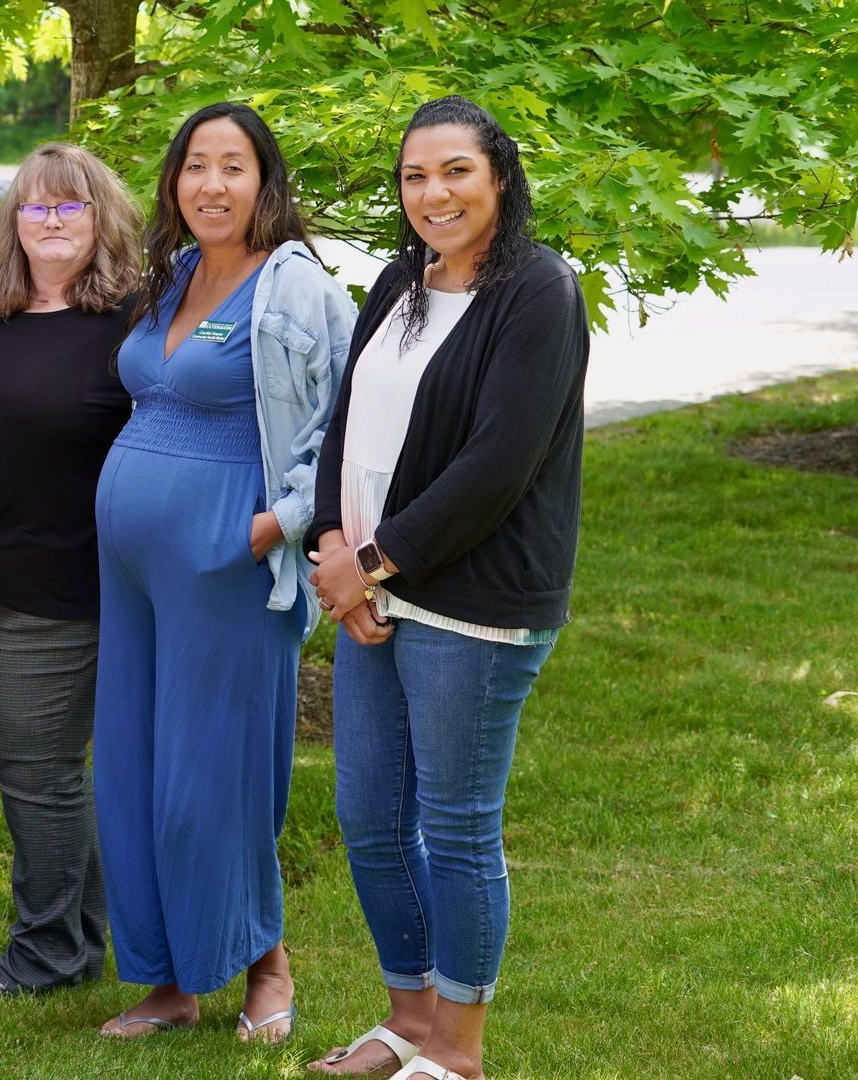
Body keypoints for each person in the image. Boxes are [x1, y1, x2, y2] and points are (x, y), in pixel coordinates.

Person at [304, 96, 589, 1080]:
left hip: (474, 602)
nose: (435, 193)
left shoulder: (540, 293)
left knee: (456, 825)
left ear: (498, 178)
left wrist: (372, 566)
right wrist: (334, 546)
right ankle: (408, 1023)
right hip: (371, 591)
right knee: (371, 818)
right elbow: (347, 423)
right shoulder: (397, 280)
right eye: (416, 176)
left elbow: (496, 464)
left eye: (456, 171)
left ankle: (459, 1053)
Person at [92, 102, 355, 1041]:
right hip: (130, 571)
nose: (211, 184)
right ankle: (169, 980)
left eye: (232, 167)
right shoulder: (170, 280)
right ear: (174, 183)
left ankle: (265, 964)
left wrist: (272, 526)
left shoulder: (299, 291)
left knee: (214, 776)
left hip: (226, 565)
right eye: (195, 166)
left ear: (264, 184)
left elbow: (344, 428)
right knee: (131, 769)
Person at [0, 143, 143, 997]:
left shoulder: (132, 324)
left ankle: (46, 953)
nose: (51, 223)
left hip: (62, 587)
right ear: (11, 220)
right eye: (35, 207)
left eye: (71, 208)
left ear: (104, 219)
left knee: (38, 775)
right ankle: (80, 939)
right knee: (46, 772)